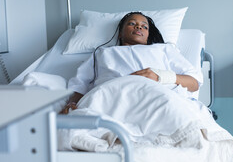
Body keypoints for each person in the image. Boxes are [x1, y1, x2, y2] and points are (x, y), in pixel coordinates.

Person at [60, 12, 202, 114]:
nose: (139, 27)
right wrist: (72, 104)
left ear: (148, 35)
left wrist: (160, 76)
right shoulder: (103, 53)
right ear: (120, 33)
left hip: (157, 97)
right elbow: (80, 84)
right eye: (132, 24)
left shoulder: (163, 49)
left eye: (144, 26)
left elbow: (194, 82)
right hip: (112, 100)